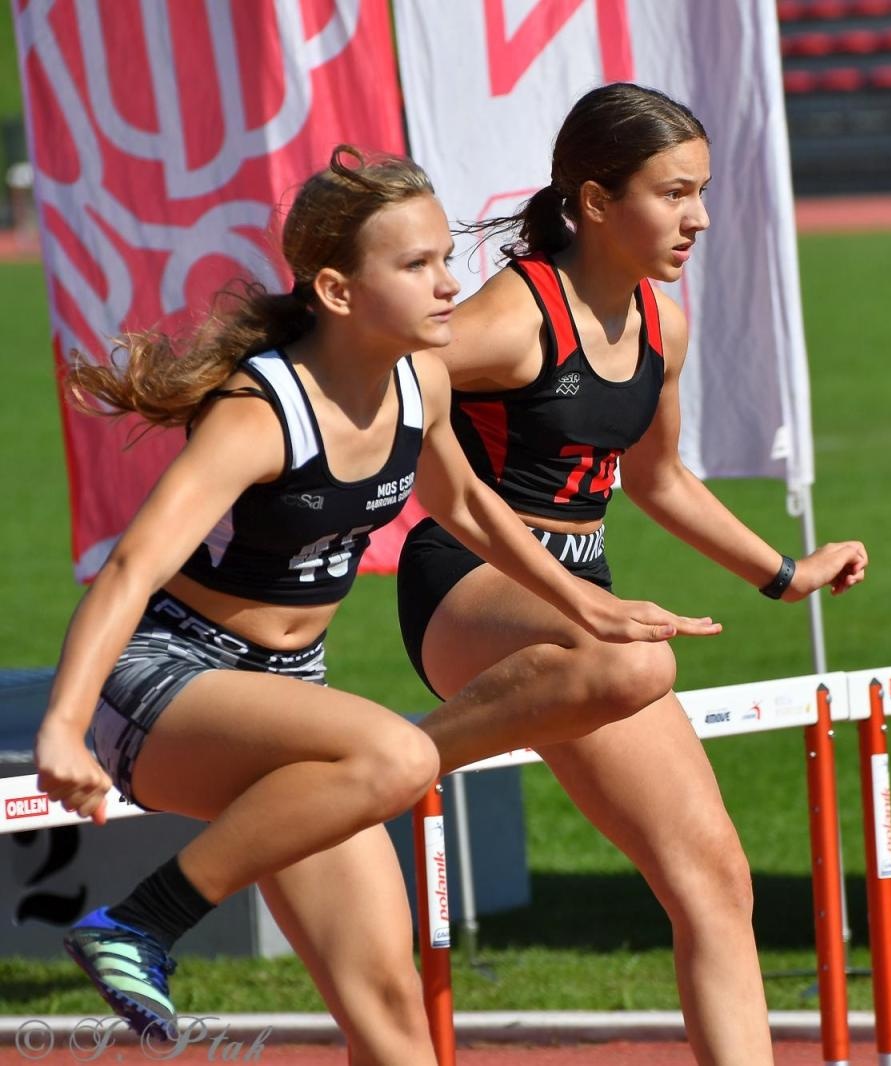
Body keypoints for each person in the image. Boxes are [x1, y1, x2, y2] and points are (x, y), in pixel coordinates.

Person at [33, 144, 714, 1060]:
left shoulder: (420, 380)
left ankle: (149, 921)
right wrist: (64, 730)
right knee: (398, 756)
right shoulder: (260, 411)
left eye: (445, 258)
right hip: (166, 681)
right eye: (417, 265)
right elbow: (130, 570)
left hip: (292, 695)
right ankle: (139, 923)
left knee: (392, 1013)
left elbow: (468, 505)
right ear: (338, 291)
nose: (448, 285)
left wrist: (588, 607)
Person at [395, 83, 868, 1066]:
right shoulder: (512, 319)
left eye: (701, 193)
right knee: (638, 662)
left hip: (587, 608)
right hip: (467, 589)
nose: (696, 218)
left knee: (716, 877)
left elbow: (656, 479)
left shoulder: (664, 326)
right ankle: (384, 767)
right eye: (672, 193)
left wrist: (786, 574)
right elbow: (384, 368)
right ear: (597, 202)